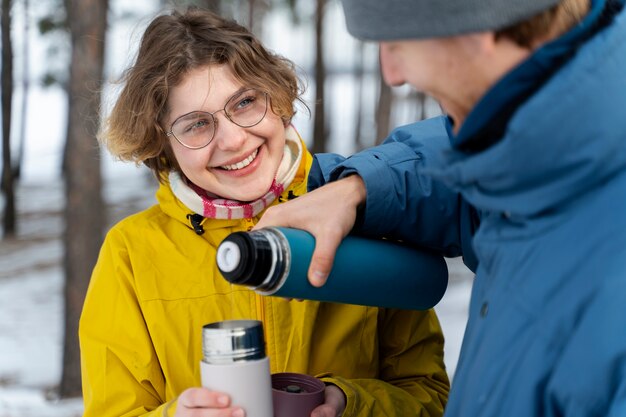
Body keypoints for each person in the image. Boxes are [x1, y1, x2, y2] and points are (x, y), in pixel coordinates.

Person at [255, 0, 626, 416]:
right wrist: (362, 187)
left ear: (480, 25)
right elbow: (480, 178)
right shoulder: (536, 161)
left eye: (395, 43)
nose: (392, 74)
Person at [79, 7, 450, 417]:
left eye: (245, 102)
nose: (234, 140)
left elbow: (432, 399)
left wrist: (352, 404)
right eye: (196, 125)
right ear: (161, 143)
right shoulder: (131, 254)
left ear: (277, 96)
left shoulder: (360, 214)